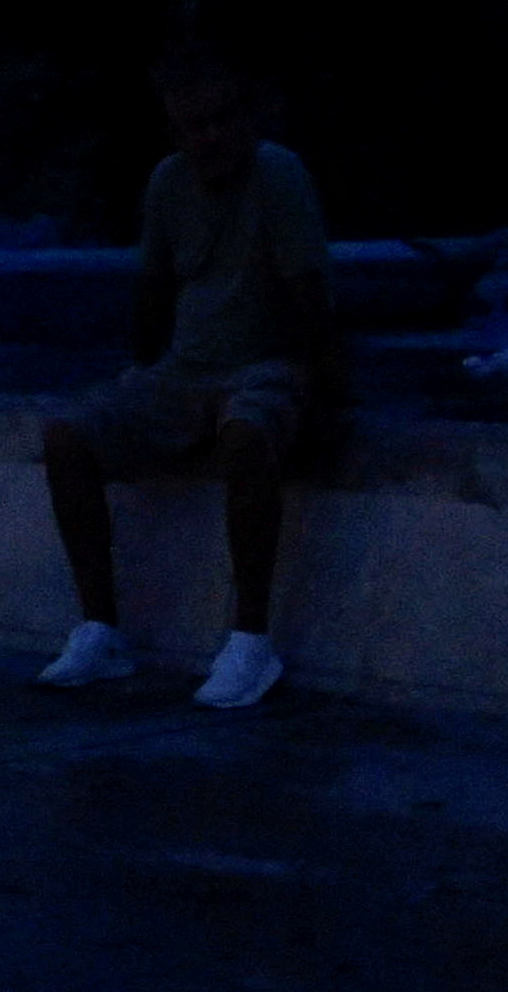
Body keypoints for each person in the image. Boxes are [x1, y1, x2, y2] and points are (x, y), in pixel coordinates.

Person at [32, 47, 330, 711]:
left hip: (261, 365)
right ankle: (100, 628)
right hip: (185, 371)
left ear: (246, 116)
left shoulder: (278, 176)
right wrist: (138, 379)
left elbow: (310, 294)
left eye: (223, 119)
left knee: (249, 434)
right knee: (66, 436)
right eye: (195, 124)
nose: (211, 136)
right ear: (175, 130)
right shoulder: (167, 182)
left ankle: (250, 639)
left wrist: (322, 396)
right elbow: (152, 289)